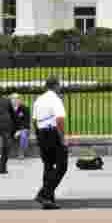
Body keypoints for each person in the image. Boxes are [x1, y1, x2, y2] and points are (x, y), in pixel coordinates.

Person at [32, 76, 68, 210]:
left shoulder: (38, 100)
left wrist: (38, 135)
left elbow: (34, 121)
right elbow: (60, 120)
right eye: (59, 85)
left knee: (48, 165)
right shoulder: (56, 99)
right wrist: (62, 137)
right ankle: (44, 194)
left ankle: (49, 200)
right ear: (56, 86)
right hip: (53, 133)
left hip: (41, 133)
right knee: (62, 165)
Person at [10, 93, 30, 159]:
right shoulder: (8, 109)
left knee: (23, 135)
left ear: (19, 100)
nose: (15, 100)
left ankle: (21, 153)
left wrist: (19, 131)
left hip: (23, 129)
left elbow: (26, 122)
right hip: (11, 129)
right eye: (13, 98)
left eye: (16, 98)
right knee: (3, 134)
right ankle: (2, 153)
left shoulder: (25, 108)